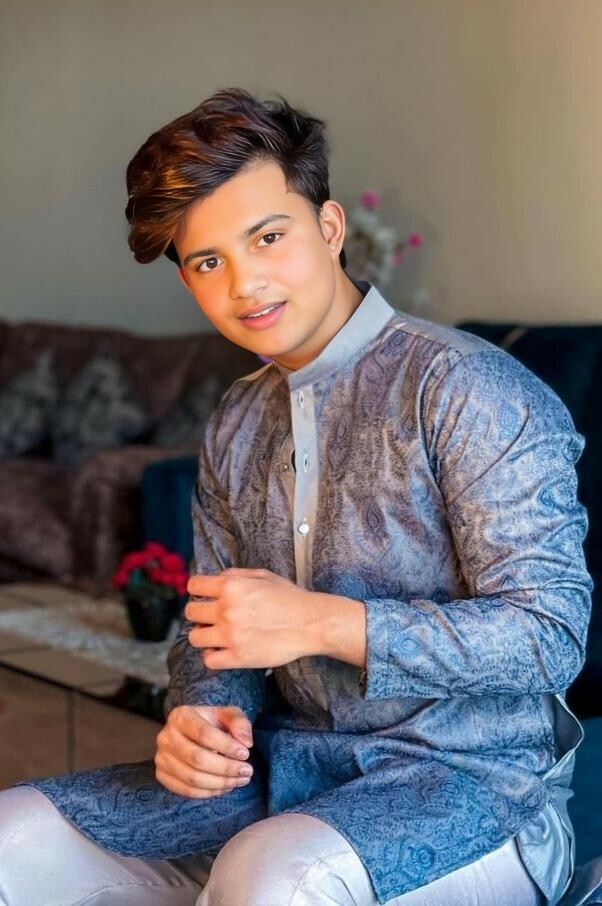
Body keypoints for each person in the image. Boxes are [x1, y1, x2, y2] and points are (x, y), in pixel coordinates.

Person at [0, 88, 600, 906]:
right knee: (14, 838)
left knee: (272, 875)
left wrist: (323, 622)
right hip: (280, 777)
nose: (245, 283)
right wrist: (201, 718)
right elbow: (214, 633)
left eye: (268, 237)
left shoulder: (467, 389)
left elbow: (549, 636)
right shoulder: (236, 420)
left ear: (330, 228)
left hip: (476, 789)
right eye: (208, 262)